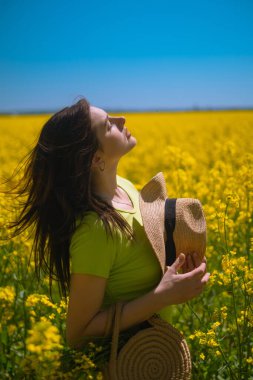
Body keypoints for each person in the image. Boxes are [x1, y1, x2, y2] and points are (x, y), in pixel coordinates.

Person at [2, 97, 209, 357]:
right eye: (108, 125)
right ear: (96, 159)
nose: (121, 120)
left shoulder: (125, 188)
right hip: (127, 360)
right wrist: (162, 296)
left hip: (156, 350)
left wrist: (177, 270)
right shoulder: (96, 230)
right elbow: (78, 332)